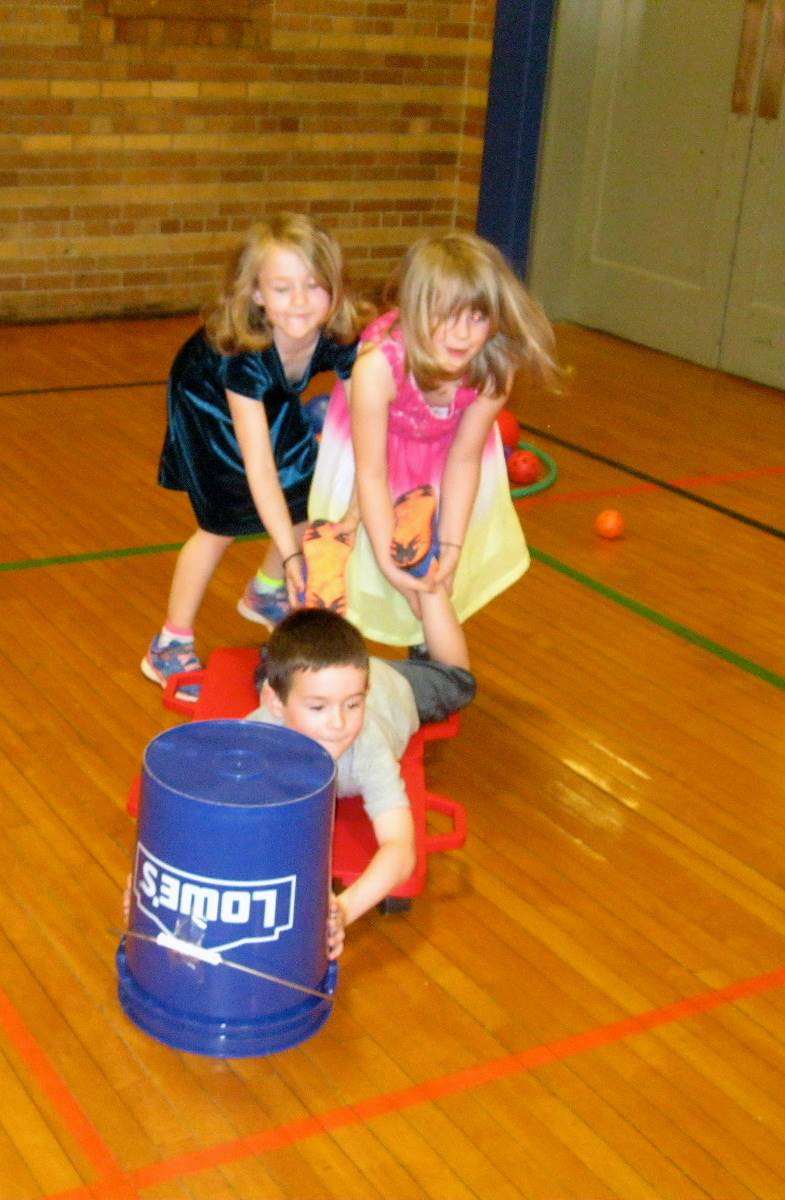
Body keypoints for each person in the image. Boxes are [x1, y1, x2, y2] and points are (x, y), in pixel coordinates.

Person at [141, 213, 367, 699]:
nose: (301, 302)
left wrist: (357, 505)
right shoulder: (242, 358)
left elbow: (369, 419)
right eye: (282, 289)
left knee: (306, 492)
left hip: (271, 394)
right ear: (258, 295)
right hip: (209, 400)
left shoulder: (337, 338)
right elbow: (259, 466)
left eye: (313, 285)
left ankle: (266, 591)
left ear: (334, 286)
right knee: (221, 522)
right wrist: (291, 553)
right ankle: (169, 643)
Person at [303, 229, 560, 648]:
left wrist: (453, 545)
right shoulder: (378, 367)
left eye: (477, 317)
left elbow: (464, 460)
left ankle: (432, 659)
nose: (463, 335)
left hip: (448, 460)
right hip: (378, 456)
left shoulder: (493, 368)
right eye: (447, 316)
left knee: (438, 577)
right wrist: (392, 563)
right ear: (415, 310)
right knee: (365, 573)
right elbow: (371, 474)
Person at [245, 583, 476, 957]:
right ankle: (293, 662)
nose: (339, 724)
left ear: (363, 695)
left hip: (399, 688)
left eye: (353, 705)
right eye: (318, 707)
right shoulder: (259, 733)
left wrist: (344, 908)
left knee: (461, 685)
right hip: (335, 679)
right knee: (273, 673)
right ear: (274, 705)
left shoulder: (367, 746)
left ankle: (421, 641)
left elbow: (401, 850)